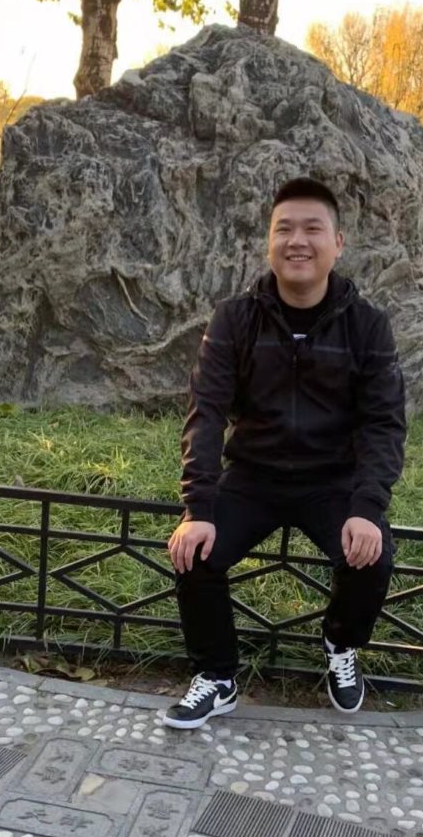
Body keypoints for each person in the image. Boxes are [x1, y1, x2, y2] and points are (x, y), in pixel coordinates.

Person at [164, 177, 407, 729]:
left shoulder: (368, 326)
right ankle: (218, 677)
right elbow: (206, 412)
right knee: (195, 552)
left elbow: (384, 423)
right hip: (253, 475)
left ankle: (340, 645)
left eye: (312, 229)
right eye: (284, 229)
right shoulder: (235, 318)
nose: (298, 241)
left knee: (372, 557)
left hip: (332, 480)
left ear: (338, 243)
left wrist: (367, 506)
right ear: (269, 242)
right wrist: (197, 508)